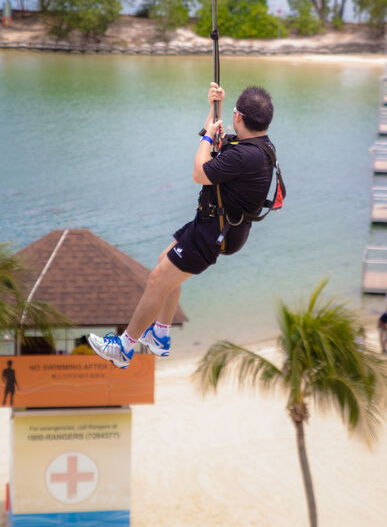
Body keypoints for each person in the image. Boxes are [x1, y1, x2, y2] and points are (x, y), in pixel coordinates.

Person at [90, 82, 277, 368]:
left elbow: (199, 172)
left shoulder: (244, 155)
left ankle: (124, 347)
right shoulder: (259, 147)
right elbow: (216, 141)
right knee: (164, 263)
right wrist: (215, 107)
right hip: (215, 226)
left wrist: (207, 138)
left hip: (214, 233)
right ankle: (160, 335)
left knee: (157, 280)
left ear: (239, 117)